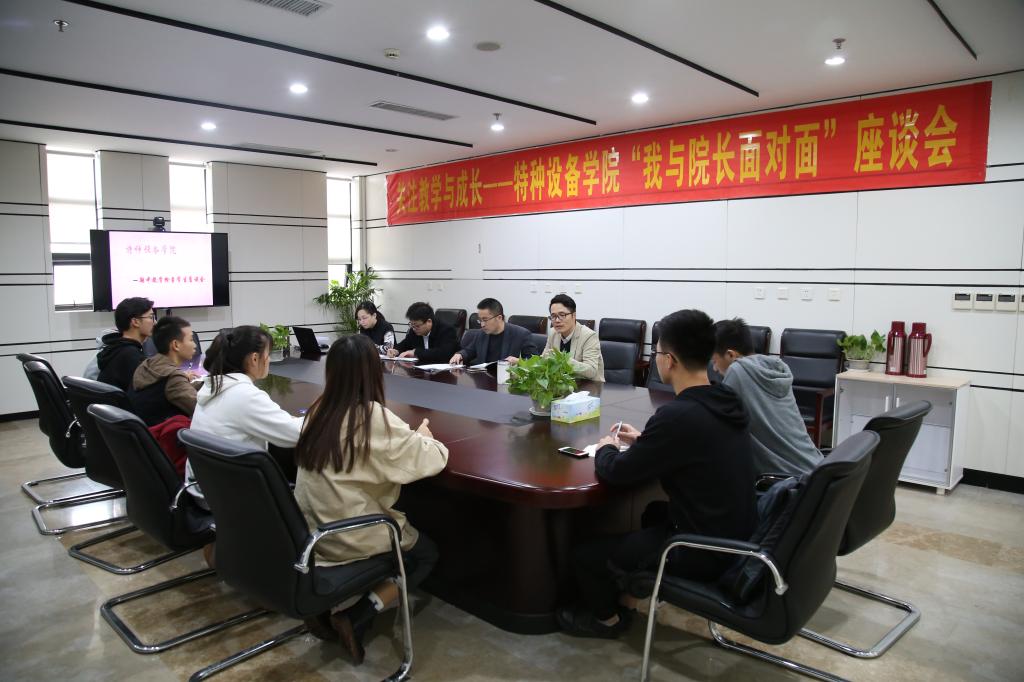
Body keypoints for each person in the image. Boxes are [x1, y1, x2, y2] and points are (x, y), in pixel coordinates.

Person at [557, 309, 757, 639]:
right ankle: (631, 596)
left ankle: (607, 620)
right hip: (737, 537)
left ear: (670, 360)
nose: (655, 359)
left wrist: (607, 446)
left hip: (701, 548)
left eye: (657, 353)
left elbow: (617, 473)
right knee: (650, 513)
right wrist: (647, 441)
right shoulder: (725, 399)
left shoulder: (678, 416)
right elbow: (693, 443)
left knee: (586, 556)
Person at [293, 334, 448, 664]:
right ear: (373, 372)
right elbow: (431, 459)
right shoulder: (370, 416)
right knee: (425, 555)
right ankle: (357, 615)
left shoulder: (318, 408)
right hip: (347, 532)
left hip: (309, 529)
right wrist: (424, 437)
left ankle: (328, 608)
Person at [185, 325, 305, 509]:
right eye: (268, 355)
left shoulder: (213, 385)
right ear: (254, 359)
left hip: (205, 488)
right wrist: (322, 411)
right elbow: (296, 434)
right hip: (231, 498)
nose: (269, 360)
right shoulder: (244, 395)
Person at [712, 318, 822, 476]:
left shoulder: (737, 370)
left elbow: (717, 423)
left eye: (714, 361)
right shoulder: (774, 367)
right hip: (815, 468)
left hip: (788, 480)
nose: (714, 368)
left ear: (730, 355)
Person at [130, 315, 200, 426]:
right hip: (165, 435)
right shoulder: (173, 378)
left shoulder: (146, 365)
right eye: (191, 339)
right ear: (176, 345)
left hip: (144, 431)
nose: (195, 345)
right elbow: (201, 410)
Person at [450, 298, 538, 366]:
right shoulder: (481, 333)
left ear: (499, 318)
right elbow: (469, 351)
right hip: (483, 380)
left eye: (485, 320)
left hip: (507, 380)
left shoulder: (521, 335)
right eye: (480, 320)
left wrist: (518, 361)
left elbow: (535, 364)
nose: (482, 325)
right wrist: (460, 355)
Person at [95, 297, 155, 391]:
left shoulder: (116, 349)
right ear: (135, 322)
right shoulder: (131, 355)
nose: (155, 322)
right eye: (151, 317)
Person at [541, 294, 605, 381]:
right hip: (563, 385)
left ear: (573, 315)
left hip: (588, 385)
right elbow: (543, 360)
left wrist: (563, 360)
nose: (557, 320)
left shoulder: (589, 336)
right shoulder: (553, 333)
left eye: (562, 315)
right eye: (553, 316)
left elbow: (592, 371)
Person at [387, 301, 459, 364]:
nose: (414, 329)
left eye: (417, 326)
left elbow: (443, 353)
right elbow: (405, 344)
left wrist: (416, 352)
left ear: (429, 321)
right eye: (411, 325)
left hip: (444, 373)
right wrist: (396, 350)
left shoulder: (447, 330)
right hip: (419, 370)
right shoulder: (414, 330)